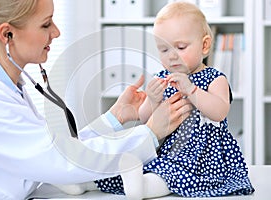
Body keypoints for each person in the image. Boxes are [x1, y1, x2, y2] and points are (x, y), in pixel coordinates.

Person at [0, 0, 193, 199]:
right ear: (7, 34)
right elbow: (59, 160)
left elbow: (55, 151)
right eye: (46, 24)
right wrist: (150, 132)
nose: (56, 32)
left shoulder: (5, 83)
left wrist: (114, 118)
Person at [70, 2, 254, 199]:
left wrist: (191, 90)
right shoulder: (164, 77)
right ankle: (84, 183)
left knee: (170, 177)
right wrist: (153, 99)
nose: (172, 56)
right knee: (140, 167)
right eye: (164, 50)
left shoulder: (214, 78)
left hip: (203, 157)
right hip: (167, 149)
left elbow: (219, 112)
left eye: (181, 47)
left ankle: (141, 187)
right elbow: (144, 118)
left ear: (205, 45)